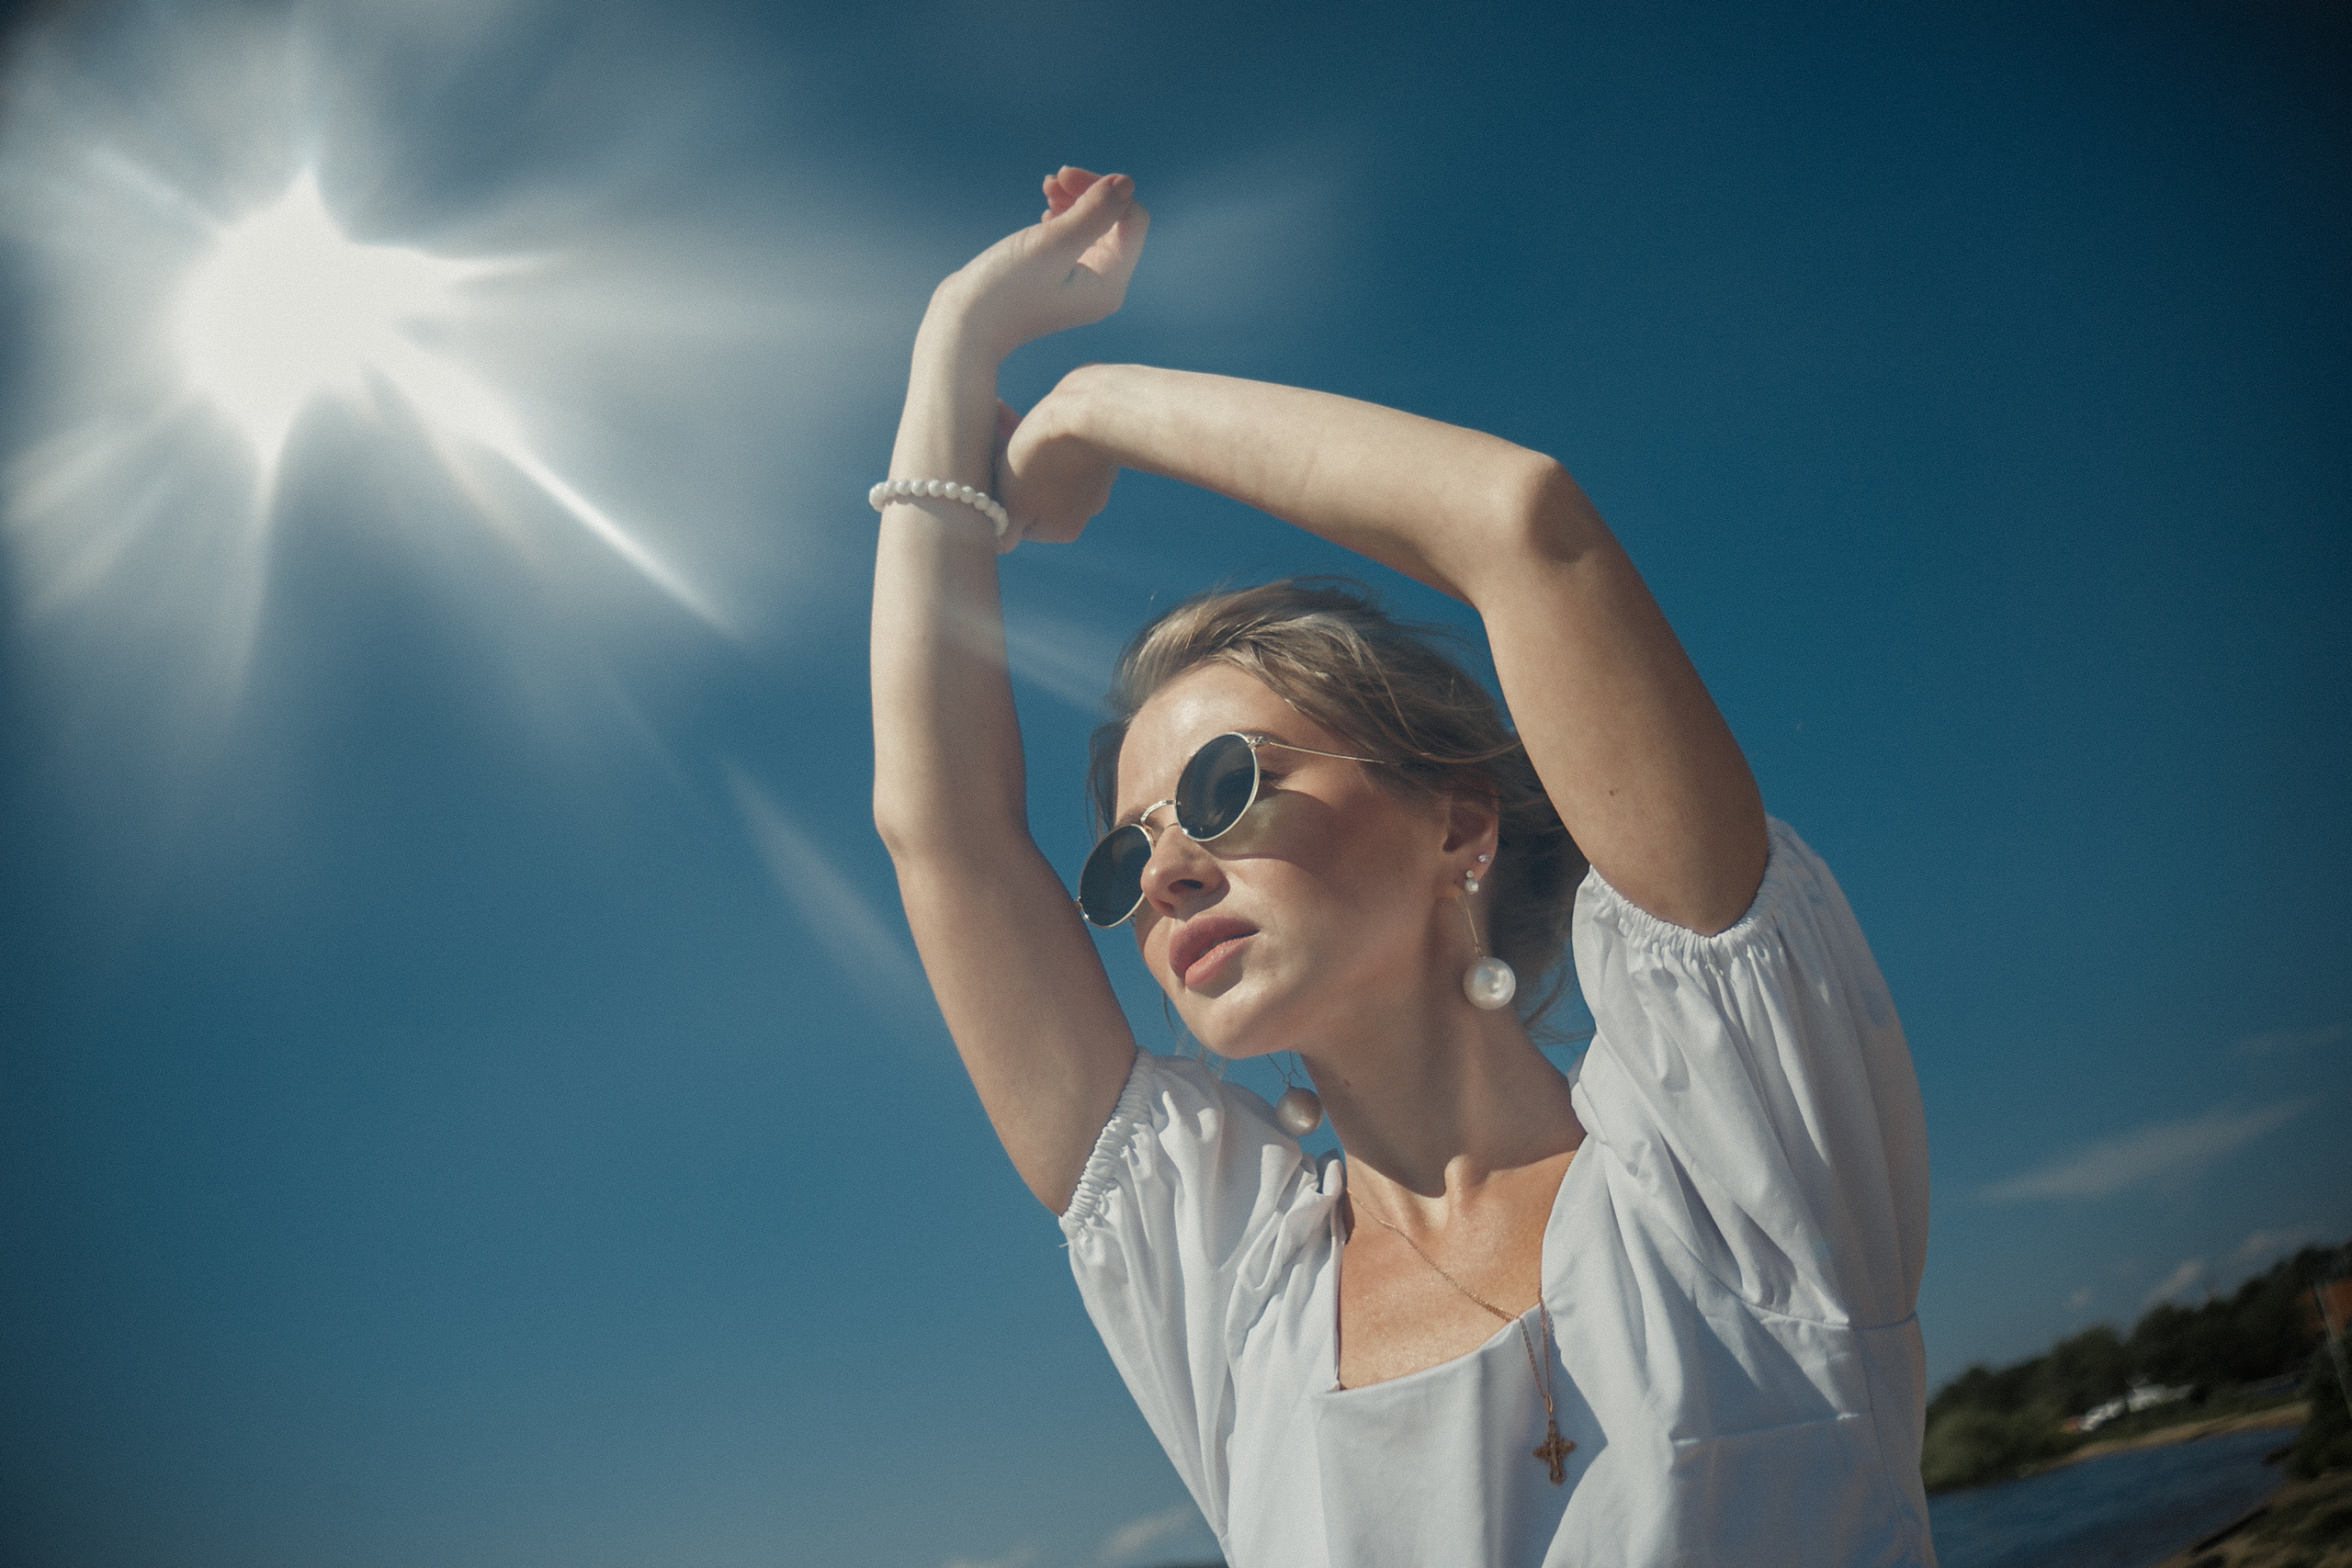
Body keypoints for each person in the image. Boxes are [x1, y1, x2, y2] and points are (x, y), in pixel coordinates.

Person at [870, 167, 1934, 1567]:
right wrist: (957, 339)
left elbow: (1521, 527)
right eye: (1129, 855)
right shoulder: (1231, 1294)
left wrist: (1090, 405)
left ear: (1458, 824)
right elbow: (942, 833)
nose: (1167, 871)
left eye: (1223, 786)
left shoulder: (1735, 1158)